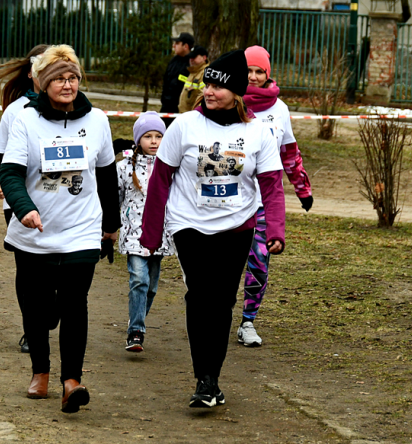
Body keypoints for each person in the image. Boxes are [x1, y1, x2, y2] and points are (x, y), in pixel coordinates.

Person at [140, 50, 285, 409]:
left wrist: (275, 230)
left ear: (237, 92)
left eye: (218, 87)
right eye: (207, 84)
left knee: (222, 302)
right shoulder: (185, 126)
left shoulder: (257, 133)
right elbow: (160, 180)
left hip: (237, 228)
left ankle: (212, 379)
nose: (209, 91)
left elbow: (271, 185)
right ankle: (203, 377)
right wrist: (151, 231)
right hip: (189, 224)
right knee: (200, 295)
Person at [0, 44, 120, 413]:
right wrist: (24, 209)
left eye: (73, 78)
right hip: (34, 230)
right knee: (36, 307)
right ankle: (40, 371)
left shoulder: (97, 120)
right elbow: (10, 173)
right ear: (43, 83)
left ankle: (72, 382)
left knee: (74, 303)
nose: (68, 85)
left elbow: (106, 175)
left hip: (81, 228)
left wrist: (111, 225)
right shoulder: (25, 119)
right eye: (59, 79)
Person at [235, 45, 313, 347]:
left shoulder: (280, 109)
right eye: (249, 71)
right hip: (231, 200)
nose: (253, 77)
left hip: (266, 201)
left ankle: (248, 321)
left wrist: (302, 188)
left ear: (269, 74)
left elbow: (289, 153)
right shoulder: (232, 102)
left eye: (259, 72)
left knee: (259, 262)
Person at [0, 44, 49, 354]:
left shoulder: (77, 113)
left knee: (56, 274)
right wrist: (0, 183)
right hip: (18, 203)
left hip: (60, 205)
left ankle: (47, 317)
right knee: (28, 272)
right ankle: (31, 329)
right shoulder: (16, 111)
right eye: (43, 67)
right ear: (31, 73)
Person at [116, 111, 173, 353]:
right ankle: (136, 331)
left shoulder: (172, 166)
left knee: (150, 286)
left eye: (158, 136)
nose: (153, 141)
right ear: (138, 139)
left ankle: (135, 319)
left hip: (160, 235)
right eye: (148, 136)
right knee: (139, 279)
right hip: (133, 234)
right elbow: (115, 198)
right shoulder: (124, 167)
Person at [160, 32, 194, 126]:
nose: (174, 46)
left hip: (180, 110)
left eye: (177, 43)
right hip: (166, 107)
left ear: (185, 46)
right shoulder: (173, 60)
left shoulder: (191, 64)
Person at [178, 45, 209, 113]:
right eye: (190, 57)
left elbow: (203, 98)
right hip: (186, 116)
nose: (191, 59)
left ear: (204, 57)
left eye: (194, 57)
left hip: (194, 118)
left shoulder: (205, 73)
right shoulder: (193, 73)